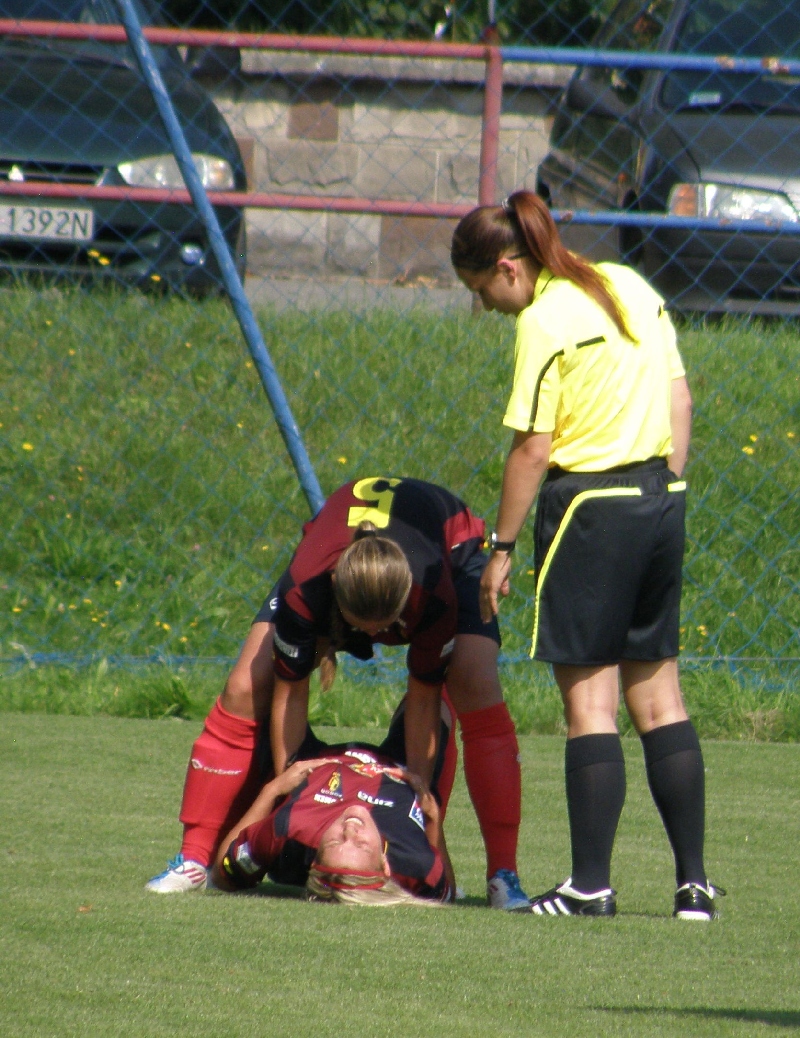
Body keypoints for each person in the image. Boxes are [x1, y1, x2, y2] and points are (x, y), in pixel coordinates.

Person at [450, 189, 722, 920]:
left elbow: (532, 450)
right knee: (661, 699)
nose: (486, 306)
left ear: (509, 268)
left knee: (591, 706)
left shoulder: (544, 319)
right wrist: (662, 488)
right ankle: (693, 886)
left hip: (589, 513)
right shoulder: (628, 283)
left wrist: (501, 549)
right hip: (661, 500)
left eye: (481, 290)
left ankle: (590, 886)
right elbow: (681, 402)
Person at [147, 476, 530, 911]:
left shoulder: (432, 594)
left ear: (405, 602)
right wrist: (289, 788)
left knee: (473, 680)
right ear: (335, 590)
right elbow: (291, 689)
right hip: (331, 563)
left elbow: (424, 696)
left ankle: (504, 874)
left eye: (387, 626)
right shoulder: (307, 587)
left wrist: (417, 797)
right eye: (363, 627)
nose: (375, 637)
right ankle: (193, 857)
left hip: (450, 550)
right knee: (244, 687)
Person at [210, 699, 456, 905]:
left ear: (315, 858)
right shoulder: (413, 862)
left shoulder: (288, 830)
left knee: (261, 686)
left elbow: (223, 873)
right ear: (385, 864)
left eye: (336, 841)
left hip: (310, 761)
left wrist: (272, 790)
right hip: (397, 764)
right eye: (361, 845)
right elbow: (446, 893)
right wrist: (433, 819)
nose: (350, 830)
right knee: (436, 701)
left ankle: (194, 855)